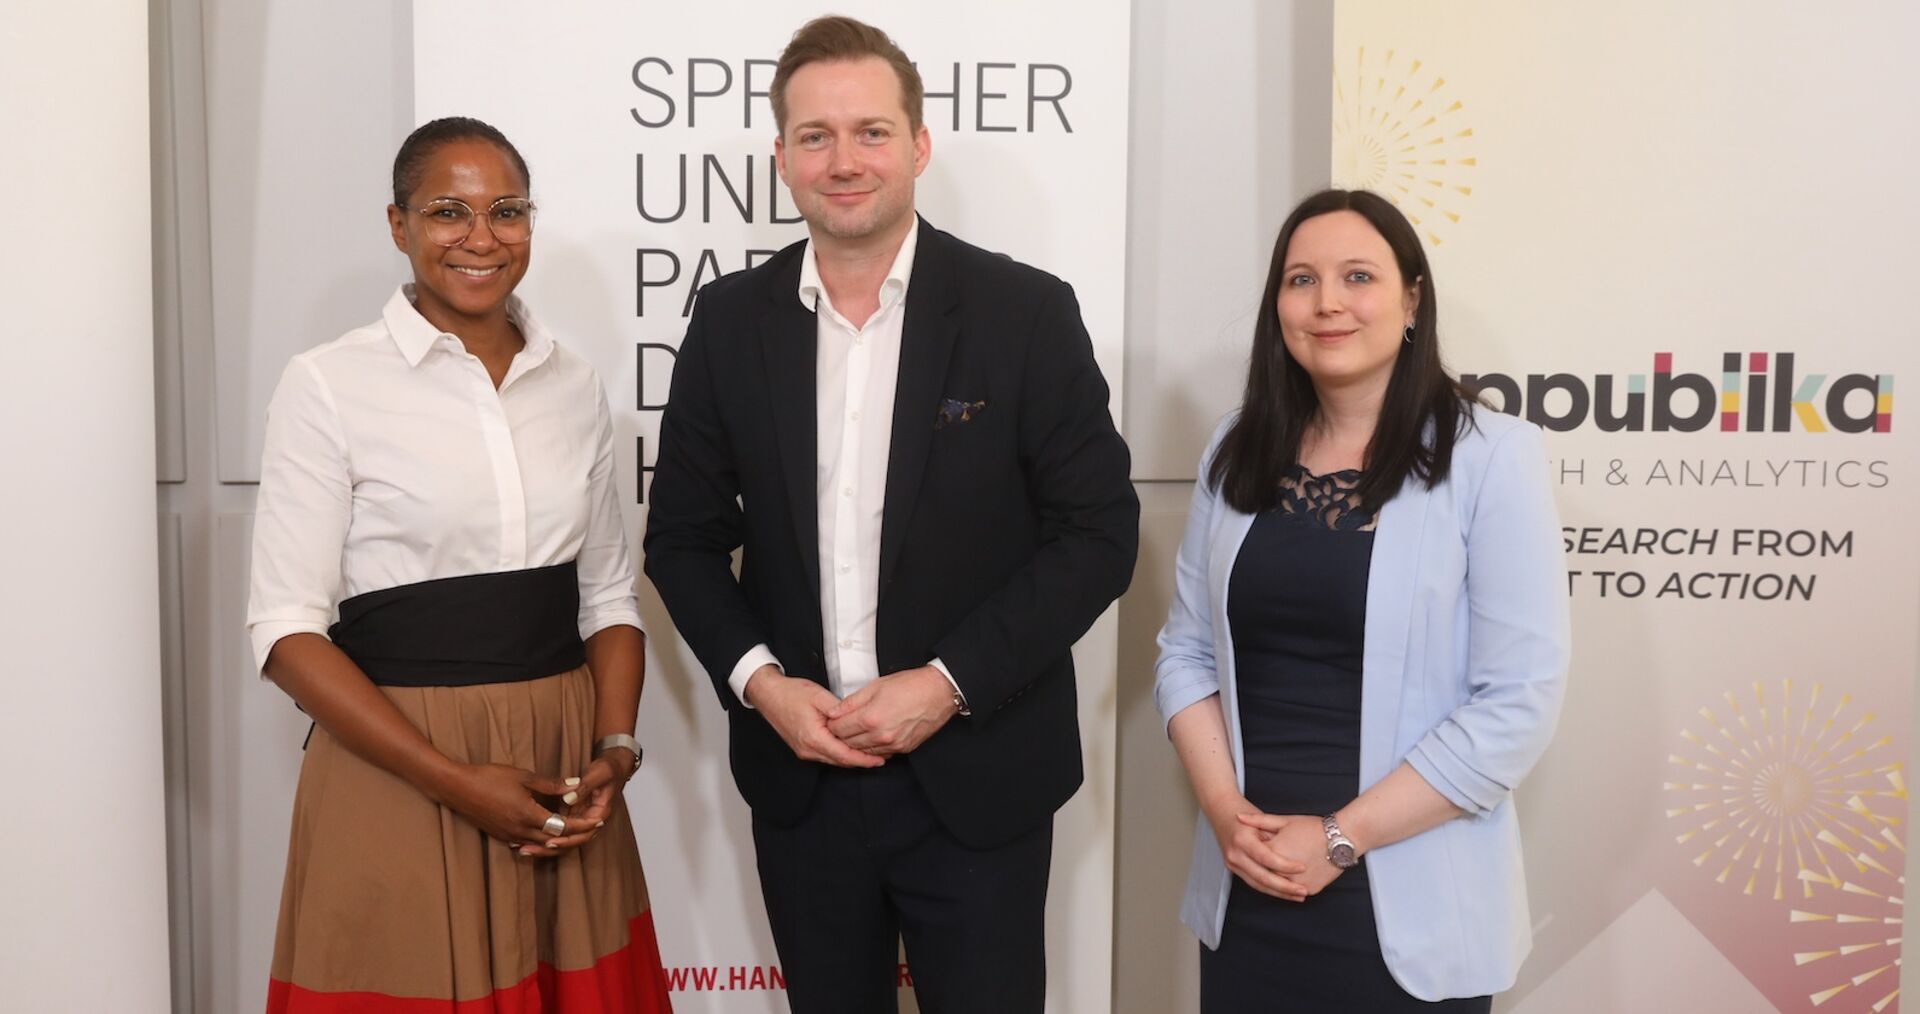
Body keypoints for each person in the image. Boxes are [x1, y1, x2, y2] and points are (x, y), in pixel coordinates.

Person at [642, 16, 1138, 1014]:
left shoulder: (1024, 313)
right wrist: (761, 685)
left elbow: (1097, 535)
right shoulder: (730, 322)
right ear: (781, 157)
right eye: (815, 137)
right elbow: (682, 540)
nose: (843, 160)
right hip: (802, 777)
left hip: (978, 773)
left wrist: (948, 684)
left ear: (918, 146)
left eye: (870, 132)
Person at [246, 116, 673, 1012]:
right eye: (448, 211)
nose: (482, 237)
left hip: (561, 773)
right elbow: (285, 632)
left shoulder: (575, 383)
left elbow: (604, 596)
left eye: (506, 210)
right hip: (401, 768)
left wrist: (616, 746)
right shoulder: (328, 384)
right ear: (398, 225)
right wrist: (454, 782)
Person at [1153, 188, 1569, 1010]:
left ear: (1412, 300)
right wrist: (1227, 812)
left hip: (1406, 898)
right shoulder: (1236, 452)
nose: (1328, 303)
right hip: (1251, 887)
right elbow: (1186, 652)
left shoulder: (1493, 458)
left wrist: (1340, 840)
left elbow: (1517, 704)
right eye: (1301, 280)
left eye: (1358, 277)